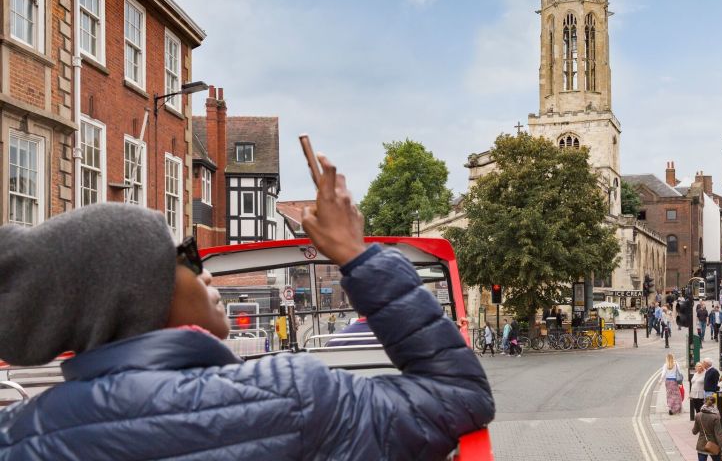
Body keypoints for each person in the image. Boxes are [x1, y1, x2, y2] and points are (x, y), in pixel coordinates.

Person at [0, 155, 495, 459]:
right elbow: (458, 394)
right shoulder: (292, 397)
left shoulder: (21, 436)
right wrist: (355, 253)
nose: (206, 271)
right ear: (139, 291)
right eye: (187, 255)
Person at [692, 394, 722, 461]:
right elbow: (718, 435)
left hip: (701, 445)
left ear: (704, 402)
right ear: (714, 403)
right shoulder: (716, 417)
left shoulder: (698, 415)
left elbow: (694, 432)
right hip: (714, 445)